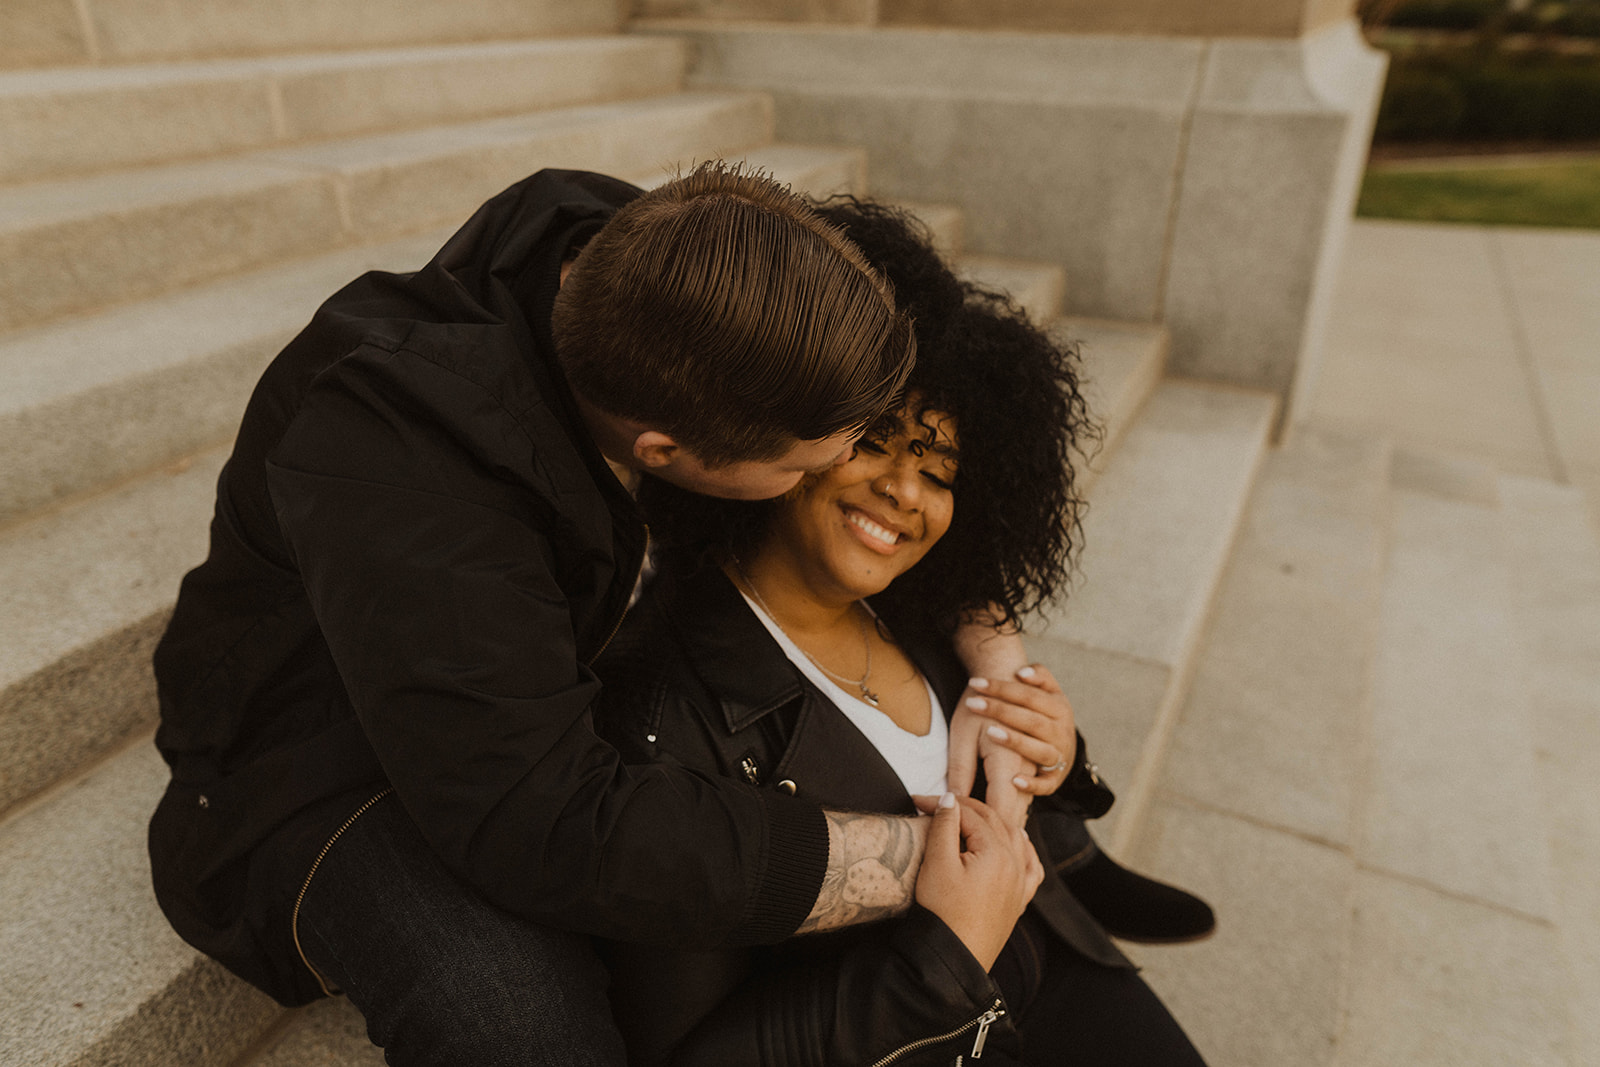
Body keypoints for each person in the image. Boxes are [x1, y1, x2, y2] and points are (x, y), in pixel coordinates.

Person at [146, 164, 980, 1065]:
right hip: (319, 760)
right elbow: (547, 822)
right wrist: (914, 862)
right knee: (524, 1029)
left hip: (504, 683)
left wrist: (993, 644)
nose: (846, 466)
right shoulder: (405, 462)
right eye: (808, 464)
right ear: (663, 450)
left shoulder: (620, 242)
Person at [593, 199, 1211, 1066]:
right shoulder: (668, 717)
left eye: (938, 469)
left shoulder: (927, 604)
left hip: (1048, 959)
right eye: (875, 443)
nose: (904, 492)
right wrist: (942, 959)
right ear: (795, 432)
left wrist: (1054, 753)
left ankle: (1081, 867)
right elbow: (690, 1052)